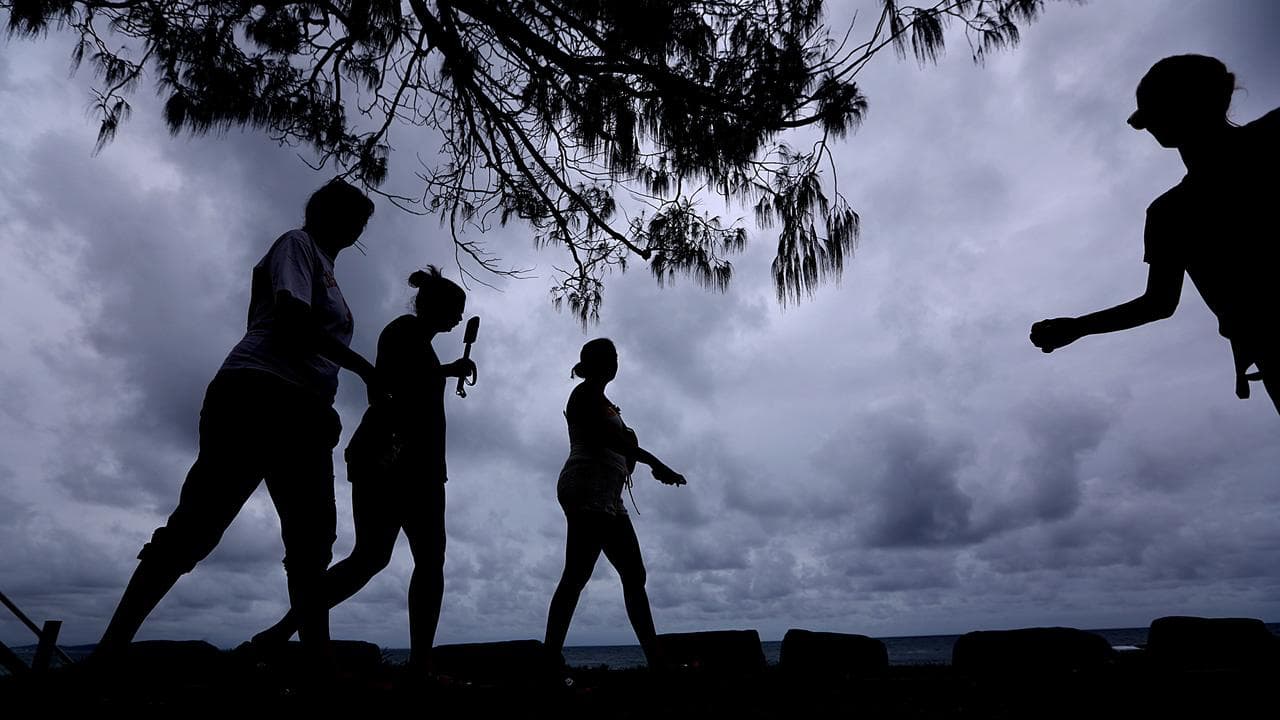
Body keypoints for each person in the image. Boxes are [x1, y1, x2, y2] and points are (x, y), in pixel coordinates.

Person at [94, 179, 380, 673]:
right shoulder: (297, 245)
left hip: (305, 410)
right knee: (197, 527)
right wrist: (364, 369)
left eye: (361, 222)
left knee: (311, 543)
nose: (356, 228)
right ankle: (108, 652)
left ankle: (319, 665)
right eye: (351, 216)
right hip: (259, 394)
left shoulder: (326, 271)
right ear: (323, 213)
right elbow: (291, 317)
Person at [251, 266, 475, 677]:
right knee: (397, 559)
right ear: (434, 306)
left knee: (387, 558)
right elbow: (394, 382)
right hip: (395, 458)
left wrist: (446, 370)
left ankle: (282, 633)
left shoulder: (417, 342)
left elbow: (407, 379)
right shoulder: (403, 331)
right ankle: (418, 664)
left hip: (405, 460)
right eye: (455, 309)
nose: (460, 318)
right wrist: (444, 372)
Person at [1030, 55, 1280, 413]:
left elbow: (1159, 304)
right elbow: (1158, 304)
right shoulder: (1169, 212)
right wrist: (1077, 327)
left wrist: (1077, 328)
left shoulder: (1173, 210)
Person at [543, 338, 686, 668]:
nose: (615, 363)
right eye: (609, 357)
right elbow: (609, 440)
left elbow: (622, 453)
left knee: (633, 574)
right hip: (585, 488)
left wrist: (633, 453)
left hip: (609, 496)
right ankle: (548, 658)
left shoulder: (607, 403)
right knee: (577, 574)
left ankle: (655, 659)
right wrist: (656, 463)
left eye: (615, 357)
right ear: (594, 363)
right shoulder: (583, 395)